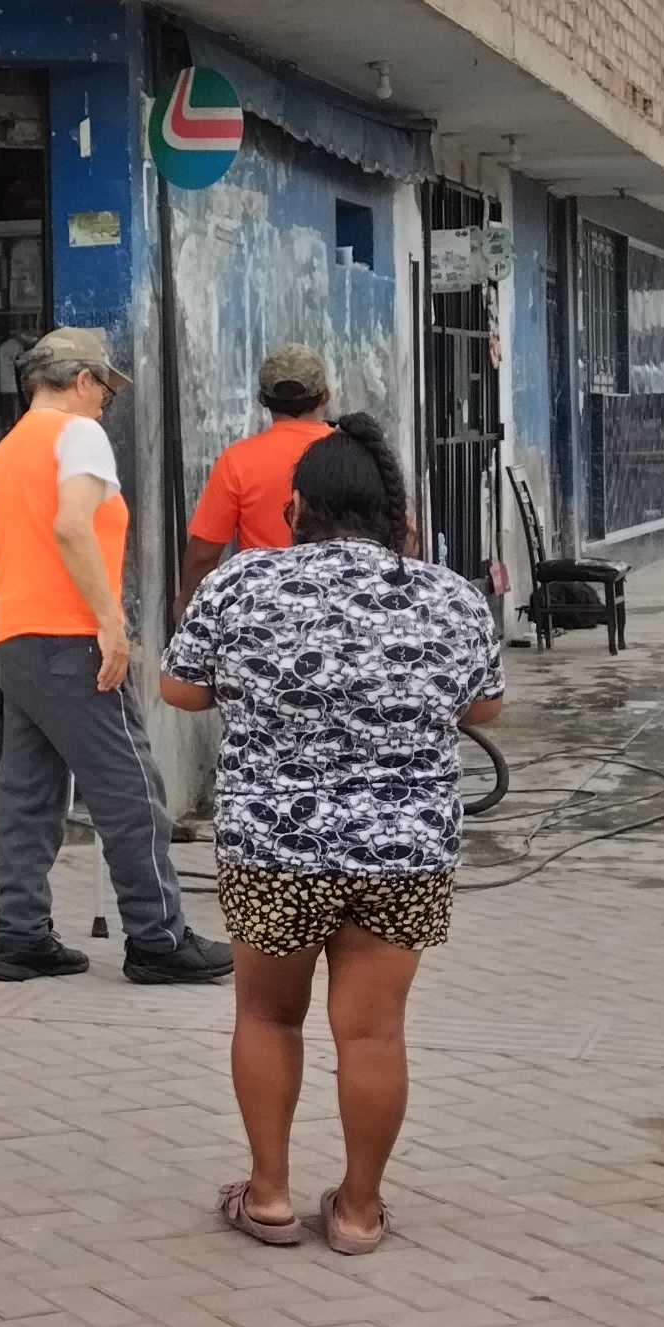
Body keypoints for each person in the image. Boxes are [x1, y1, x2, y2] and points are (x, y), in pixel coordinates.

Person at [159, 412, 504, 1255]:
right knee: (373, 1032)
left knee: (267, 1016)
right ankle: (358, 1211)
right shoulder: (449, 596)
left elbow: (181, 691)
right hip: (404, 851)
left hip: (275, 846)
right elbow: (485, 707)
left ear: (296, 509)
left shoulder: (242, 583)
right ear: (397, 515)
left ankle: (270, 1196)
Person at [0, 328, 231, 987]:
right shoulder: (79, 435)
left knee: (28, 794)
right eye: (105, 390)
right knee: (130, 790)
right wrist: (111, 622)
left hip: (16, 636)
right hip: (72, 638)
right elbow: (71, 526)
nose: (105, 403)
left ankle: (21, 934)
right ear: (83, 380)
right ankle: (158, 937)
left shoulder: (11, 448)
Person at [176, 342, 332, 613]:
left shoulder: (237, 461)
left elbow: (204, 555)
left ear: (263, 400)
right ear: (325, 396)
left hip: (262, 614)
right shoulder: (354, 453)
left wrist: (186, 604)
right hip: (337, 607)